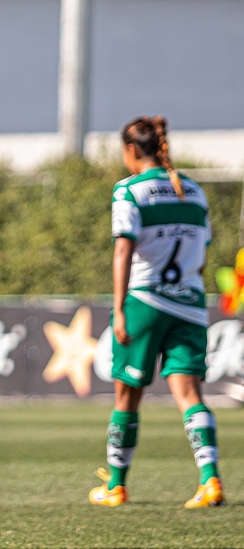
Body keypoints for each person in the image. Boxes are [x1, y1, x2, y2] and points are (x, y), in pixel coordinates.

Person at [89, 116, 222, 509]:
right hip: (190, 303)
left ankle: (115, 485)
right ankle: (209, 480)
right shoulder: (194, 191)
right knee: (190, 395)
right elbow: (201, 254)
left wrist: (118, 309)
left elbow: (123, 250)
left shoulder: (129, 190)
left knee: (127, 397)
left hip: (145, 302)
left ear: (131, 150)